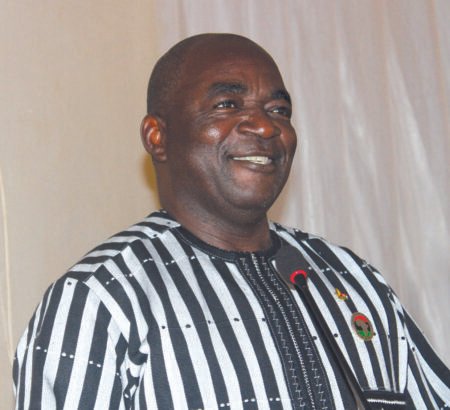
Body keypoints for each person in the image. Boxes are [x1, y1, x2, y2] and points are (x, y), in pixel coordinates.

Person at [13, 33, 450, 410]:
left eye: (278, 110)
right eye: (227, 104)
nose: (264, 126)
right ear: (157, 137)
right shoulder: (99, 299)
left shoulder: (351, 278)